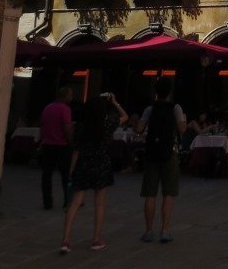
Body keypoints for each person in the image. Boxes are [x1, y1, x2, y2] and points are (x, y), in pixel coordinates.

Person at [59, 93, 128, 253]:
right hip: (101, 165)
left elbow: (77, 150)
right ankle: (96, 239)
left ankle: (65, 240)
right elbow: (125, 116)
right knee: (100, 204)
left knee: (75, 203)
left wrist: (71, 170)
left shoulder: (82, 127)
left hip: (84, 164)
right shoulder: (107, 124)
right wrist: (115, 102)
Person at [136, 76, 187, 243]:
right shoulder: (176, 108)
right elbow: (182, 129)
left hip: (152, 153)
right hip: (169, 152)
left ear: (156, 91)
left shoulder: (150, 109)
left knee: (150, 193)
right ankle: (165, 230)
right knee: (168, 193)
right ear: (170, 91)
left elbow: (139, 128)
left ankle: (148, 230)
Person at [39, 86, 74, 210]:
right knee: (66, 174)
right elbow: (67, 128)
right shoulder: (65, 109)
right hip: (61, 145)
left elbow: (42, 126)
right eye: (70, 95)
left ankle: (47, 202)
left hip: (47, 144)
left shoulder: (47, 108)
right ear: (65, 96)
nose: (72, 98)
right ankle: (68, 200)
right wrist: (70, 141)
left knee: (46, 175)